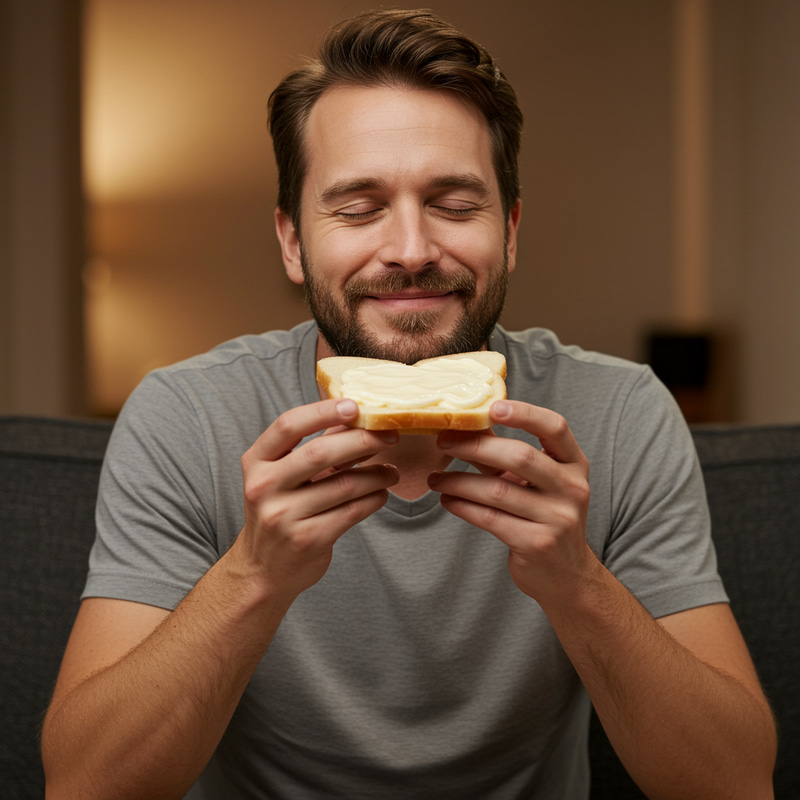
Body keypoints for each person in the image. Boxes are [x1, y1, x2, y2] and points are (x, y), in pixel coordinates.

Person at [42, 9, 776, 799]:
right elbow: (84, 785)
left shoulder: (622, 411)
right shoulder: (187, 415)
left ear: (513, 230)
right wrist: (253, 576)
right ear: (292, 242)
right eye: (358, 207)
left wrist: (579, 584)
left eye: (456, 204)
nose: (413, 249)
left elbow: (735, 783)